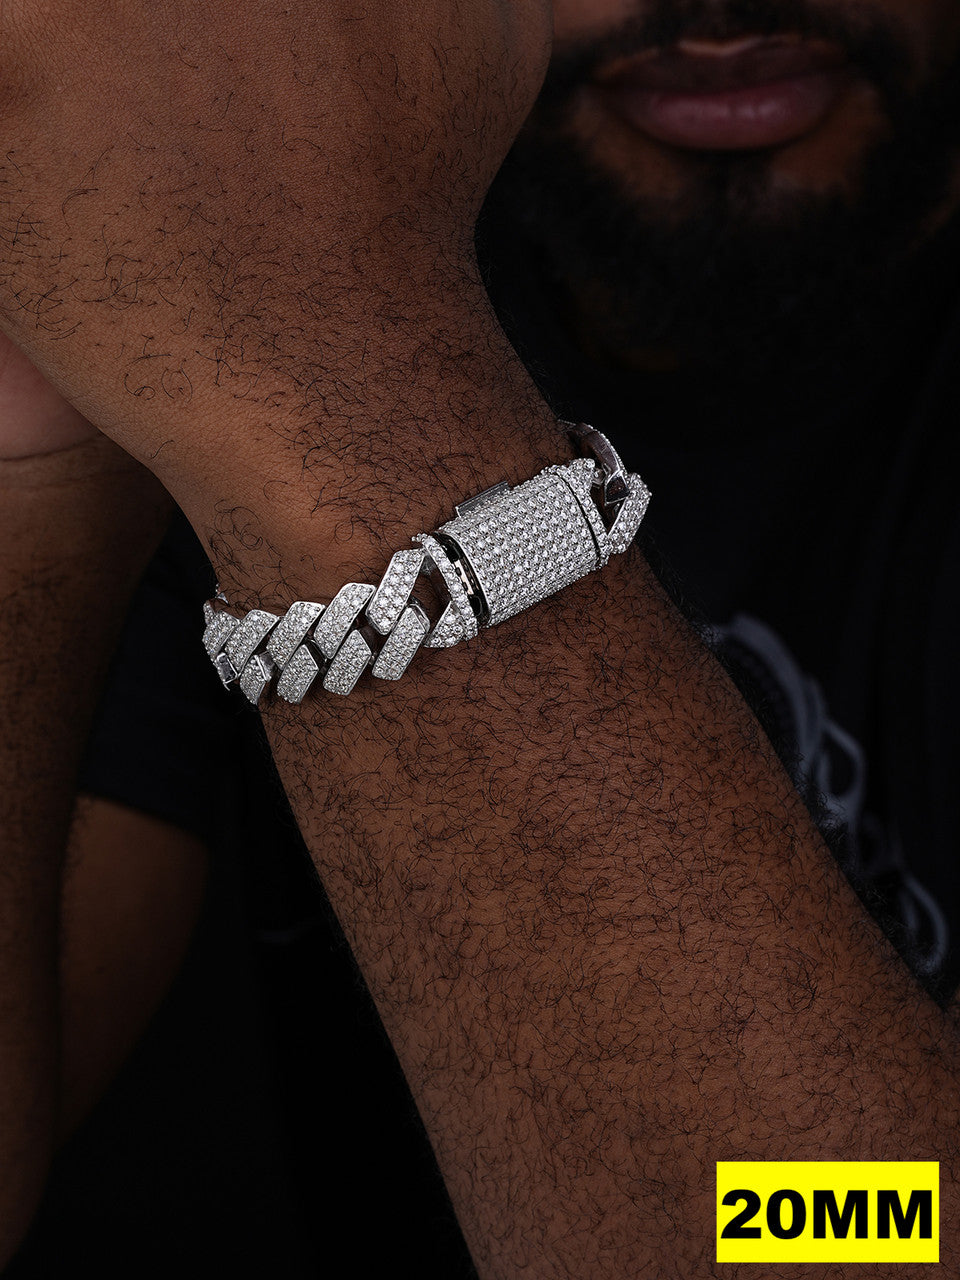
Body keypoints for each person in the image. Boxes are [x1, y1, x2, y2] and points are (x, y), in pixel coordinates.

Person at [0, 1, 958, 1276]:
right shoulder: (213, 258)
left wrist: (360, 393)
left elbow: (866, 1230)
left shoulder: (294, 323)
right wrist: (36, 466)